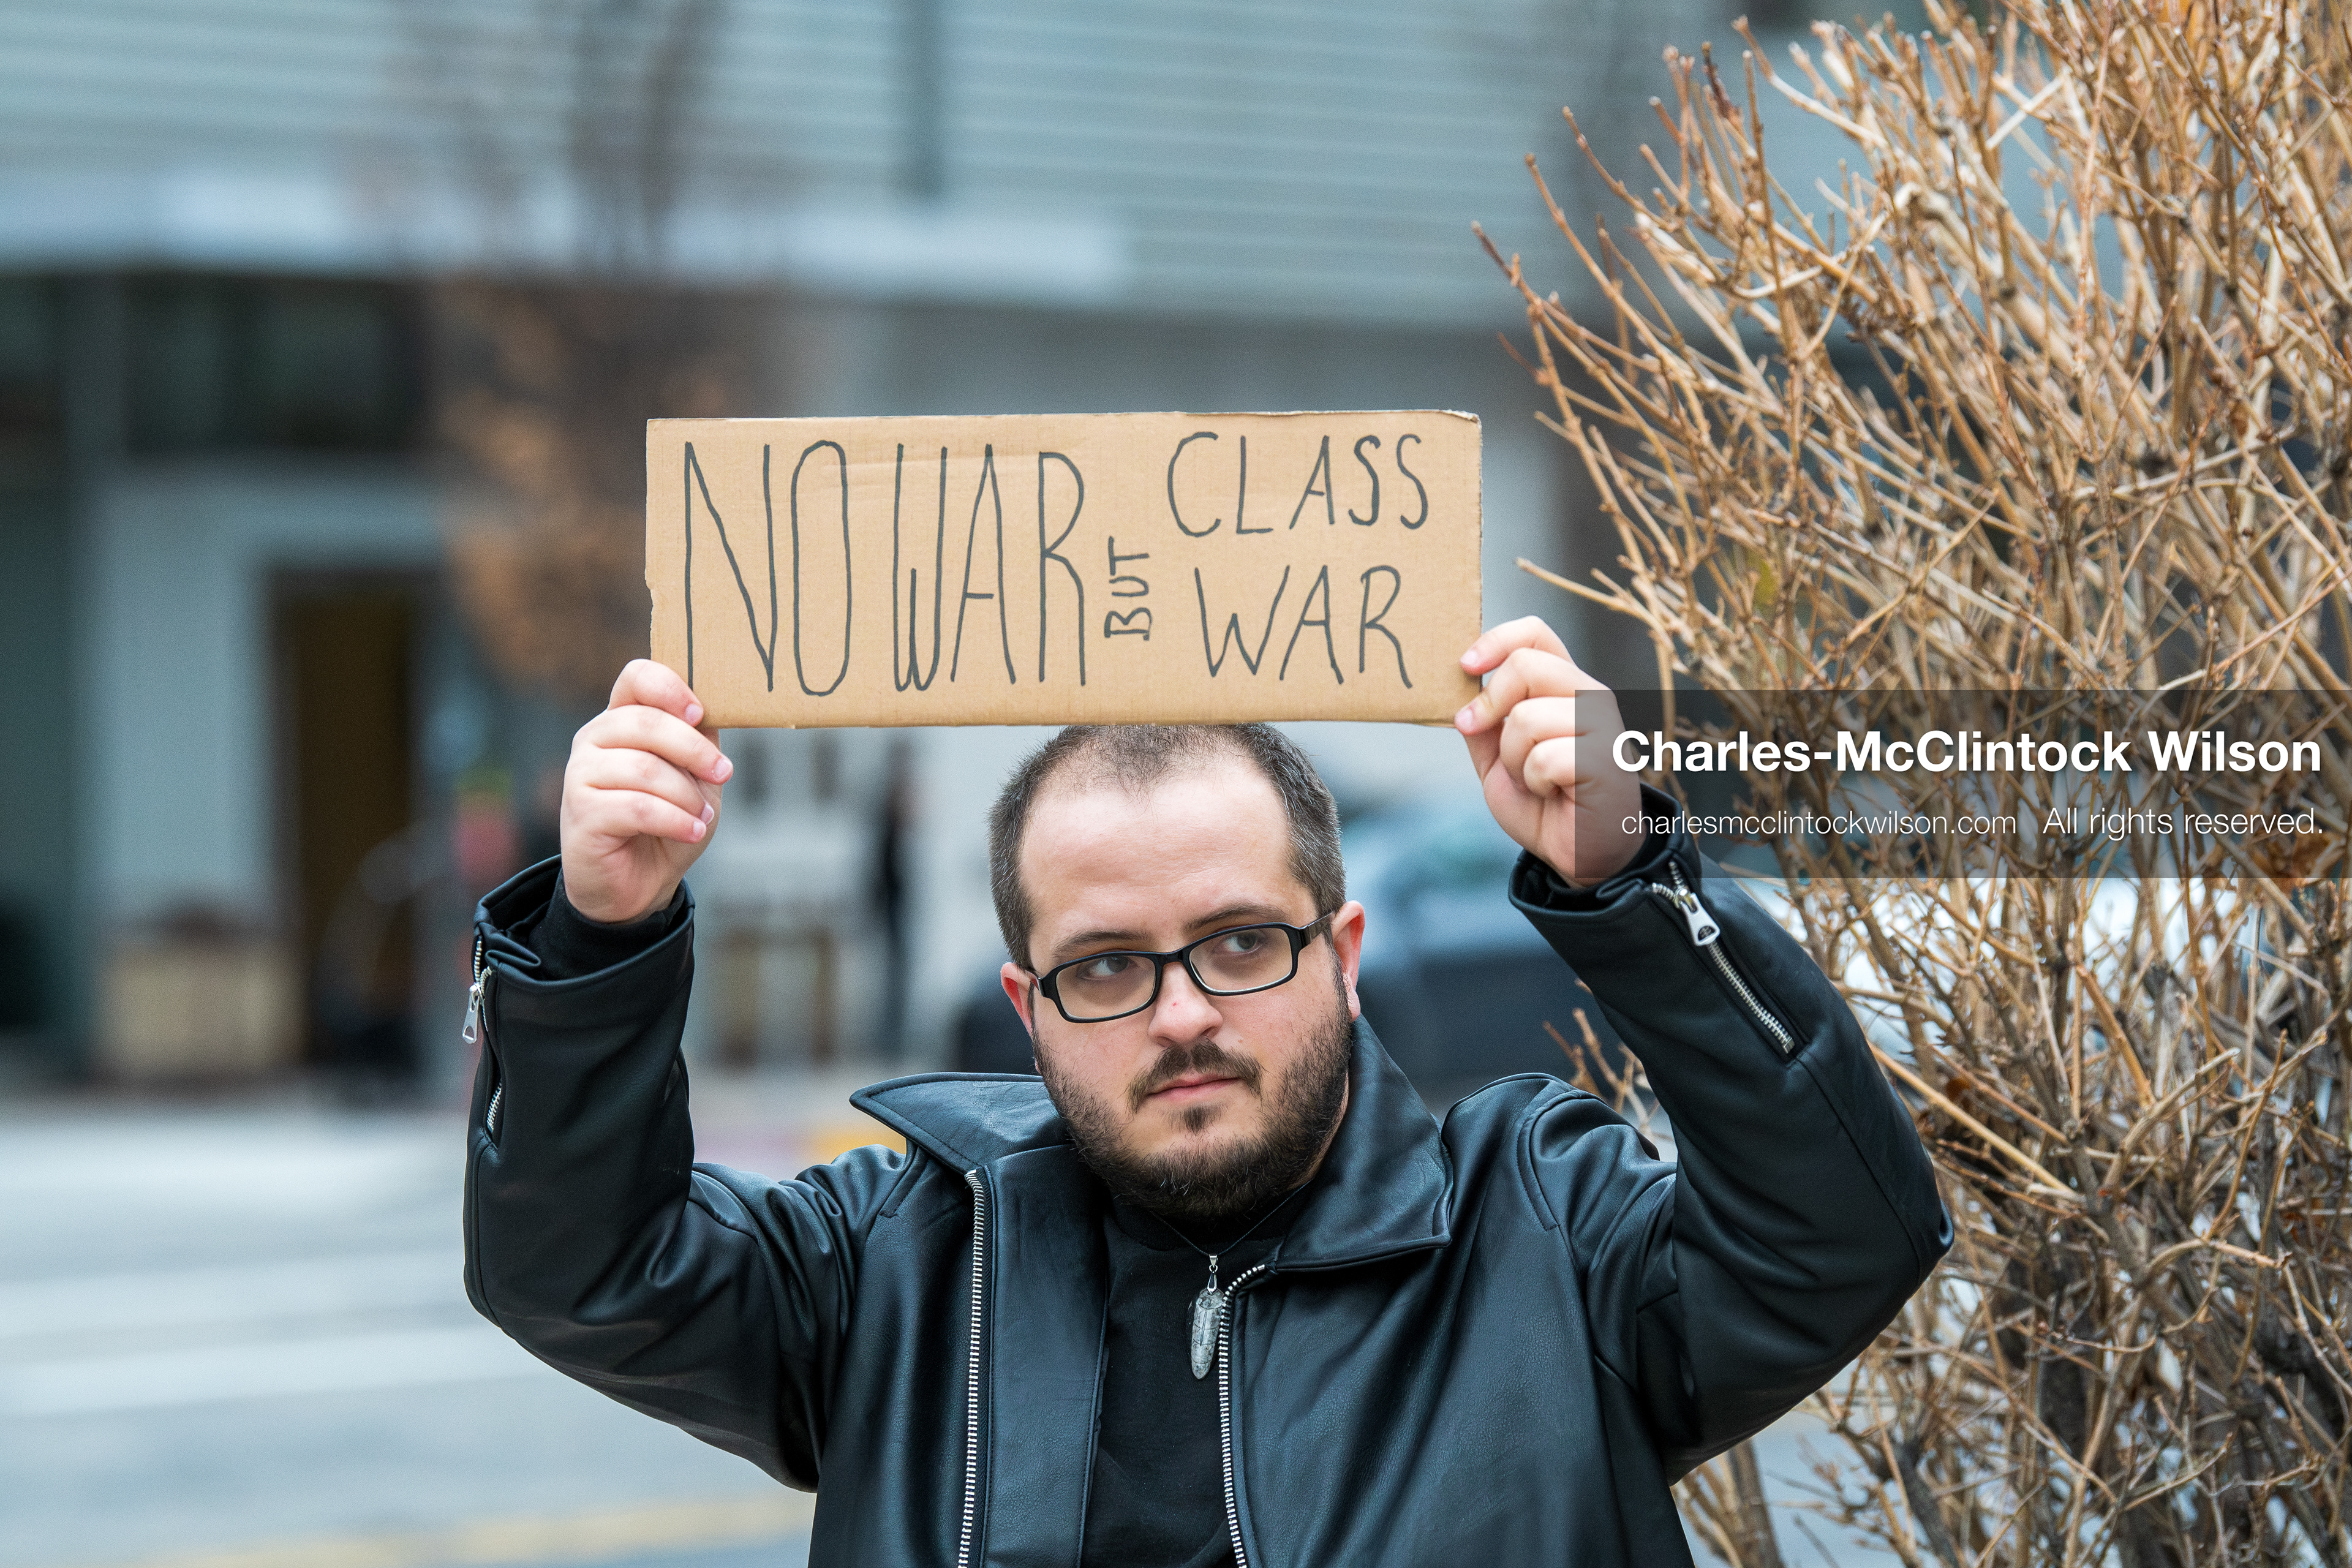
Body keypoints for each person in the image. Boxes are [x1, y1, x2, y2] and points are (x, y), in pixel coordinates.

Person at [462, 616, 1948, 1567]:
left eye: (1241, 942)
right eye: (1108, 965)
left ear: (1344, 955)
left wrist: (1637, 884)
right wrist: (599, 935)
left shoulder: (1545, 1235)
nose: (1182, 1014)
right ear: (1029, 1009)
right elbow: (580, 1266)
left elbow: (1839, 1234)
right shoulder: (893, 1268)